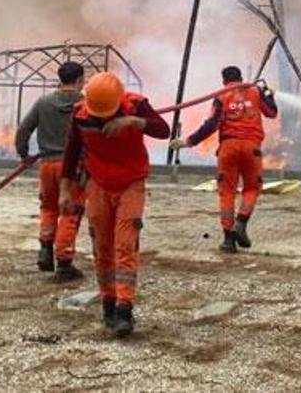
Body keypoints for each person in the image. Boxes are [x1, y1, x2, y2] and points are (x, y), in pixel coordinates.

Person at [60, 71, 170, 337]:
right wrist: (65, 189)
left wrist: (134, 122)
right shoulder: (81, 113)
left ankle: (124, 308)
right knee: (102, 243)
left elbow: (163, 130)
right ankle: (108, 303)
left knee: (125, 242)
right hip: (98, 183)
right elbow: (72, 151)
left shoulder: (136, 105)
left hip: (131, 182)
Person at [170, 66, 277, 254]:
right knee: (252, 188)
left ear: (224, 81)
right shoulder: (255, 91)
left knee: (227, 191)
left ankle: (228, 240)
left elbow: (211, 125)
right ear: (241, 77)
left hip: (228, 148)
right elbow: (272, 112)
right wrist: (269, 95)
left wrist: (188, 141)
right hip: (252, 148)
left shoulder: (221, 96)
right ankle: (241, 223)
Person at [14, 61, 86, 281]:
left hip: (47, 165)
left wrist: (24, 154)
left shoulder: (44, 102)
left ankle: (45, 249)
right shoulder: (86, 104)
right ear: (80, 80)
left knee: (48, 207)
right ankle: (64, 262)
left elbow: (23, 130)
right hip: (73, 167)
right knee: (70, 211)